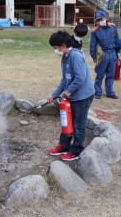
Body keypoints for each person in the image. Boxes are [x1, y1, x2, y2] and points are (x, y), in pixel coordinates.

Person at [47, 31, 95, 161]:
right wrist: (54, 94)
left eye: (56, 48)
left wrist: (68, 91)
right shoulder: (65, 57)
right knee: (66, 121)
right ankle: (64, 146)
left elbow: (80, 77)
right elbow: (65, 79)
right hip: (73, 96)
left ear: (63, 46)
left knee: (78, 124)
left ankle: (76, 150)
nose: (56, 51)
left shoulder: (75, 56)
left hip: (83, 96)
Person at [90, 10, 121, 99]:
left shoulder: (113, 27)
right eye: (98, 20)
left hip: (113, 53)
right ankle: (98, 92)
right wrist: (94, 57)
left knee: (111, 74)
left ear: (105, 18)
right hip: (103, 55)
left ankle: (110, 92)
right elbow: (92, 46)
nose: (99, 21)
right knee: (100, 74)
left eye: (101, 19)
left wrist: (118, 53)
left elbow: (117, 40)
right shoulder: (95, 31)